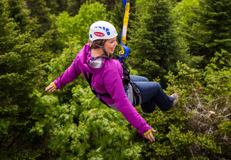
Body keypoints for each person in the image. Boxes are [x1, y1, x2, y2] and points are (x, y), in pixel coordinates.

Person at [45, 21, 178, 142]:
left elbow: (72, 70)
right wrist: (143, 127)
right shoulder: (109, 70)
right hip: (122, 96)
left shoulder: (85, 52)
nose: (116, 44)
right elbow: (122, 102)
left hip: (106, 93)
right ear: (99, 43)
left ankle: (148, 108)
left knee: (144, 80)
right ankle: (168, 105)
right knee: (155, 87)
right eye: (112, 42)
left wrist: (58, 83)